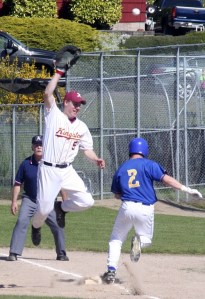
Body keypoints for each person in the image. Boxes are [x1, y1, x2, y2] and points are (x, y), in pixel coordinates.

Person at [102, 137, 202, 284]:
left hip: (127, 207)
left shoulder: (122, 168)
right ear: (145, 151)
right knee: (146, 240)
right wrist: (187, 189)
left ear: (130, 150)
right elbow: (167, 179)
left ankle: (111, 271)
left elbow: (117, 194)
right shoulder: (149, 164)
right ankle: (139, 243)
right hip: (145, 209)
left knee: (116, 239)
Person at [31, 68, 105, 242]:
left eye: (79, 104)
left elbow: (87, 149)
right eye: (75, 103)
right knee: (42, 210)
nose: (77, 107)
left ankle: (62, 208)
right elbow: (48, 93)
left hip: (67, 171)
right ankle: (36, 227)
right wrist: (58, 72)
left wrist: (96, 159)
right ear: (66, 102)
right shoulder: (54, 115)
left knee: (87, 201)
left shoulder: (81, 127)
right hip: (49, 169)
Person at [7, 135, 69, 262]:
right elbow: (18, 184)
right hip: (30, 200)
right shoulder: (26, 164)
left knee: (58, 225)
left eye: (41, 144)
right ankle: (14, 252)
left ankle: (61, 253)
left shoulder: (52, 164)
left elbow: (61, 184)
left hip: (49, 200)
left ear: (45, 147)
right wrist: (14, 201)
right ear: (32, 147)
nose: (38, 147)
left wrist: (65, 201)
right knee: (21, 221)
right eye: (36, 144)